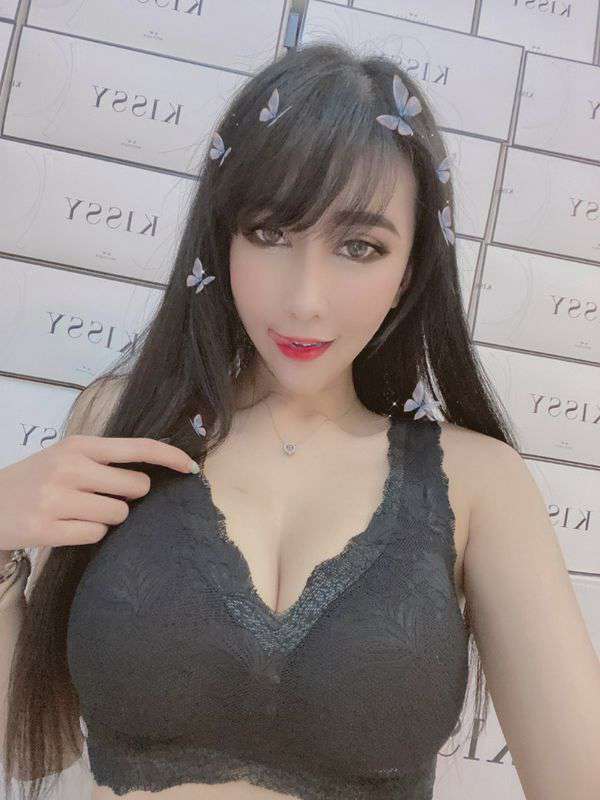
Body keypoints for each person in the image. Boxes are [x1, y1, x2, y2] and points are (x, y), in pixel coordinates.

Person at [2, 40, 599, 800]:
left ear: (410, 269)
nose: (305, 299)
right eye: (269, 234)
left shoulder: (477, 483)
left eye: (359, 246)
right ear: (221, 238)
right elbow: (33, 748)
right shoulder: (122, 422)